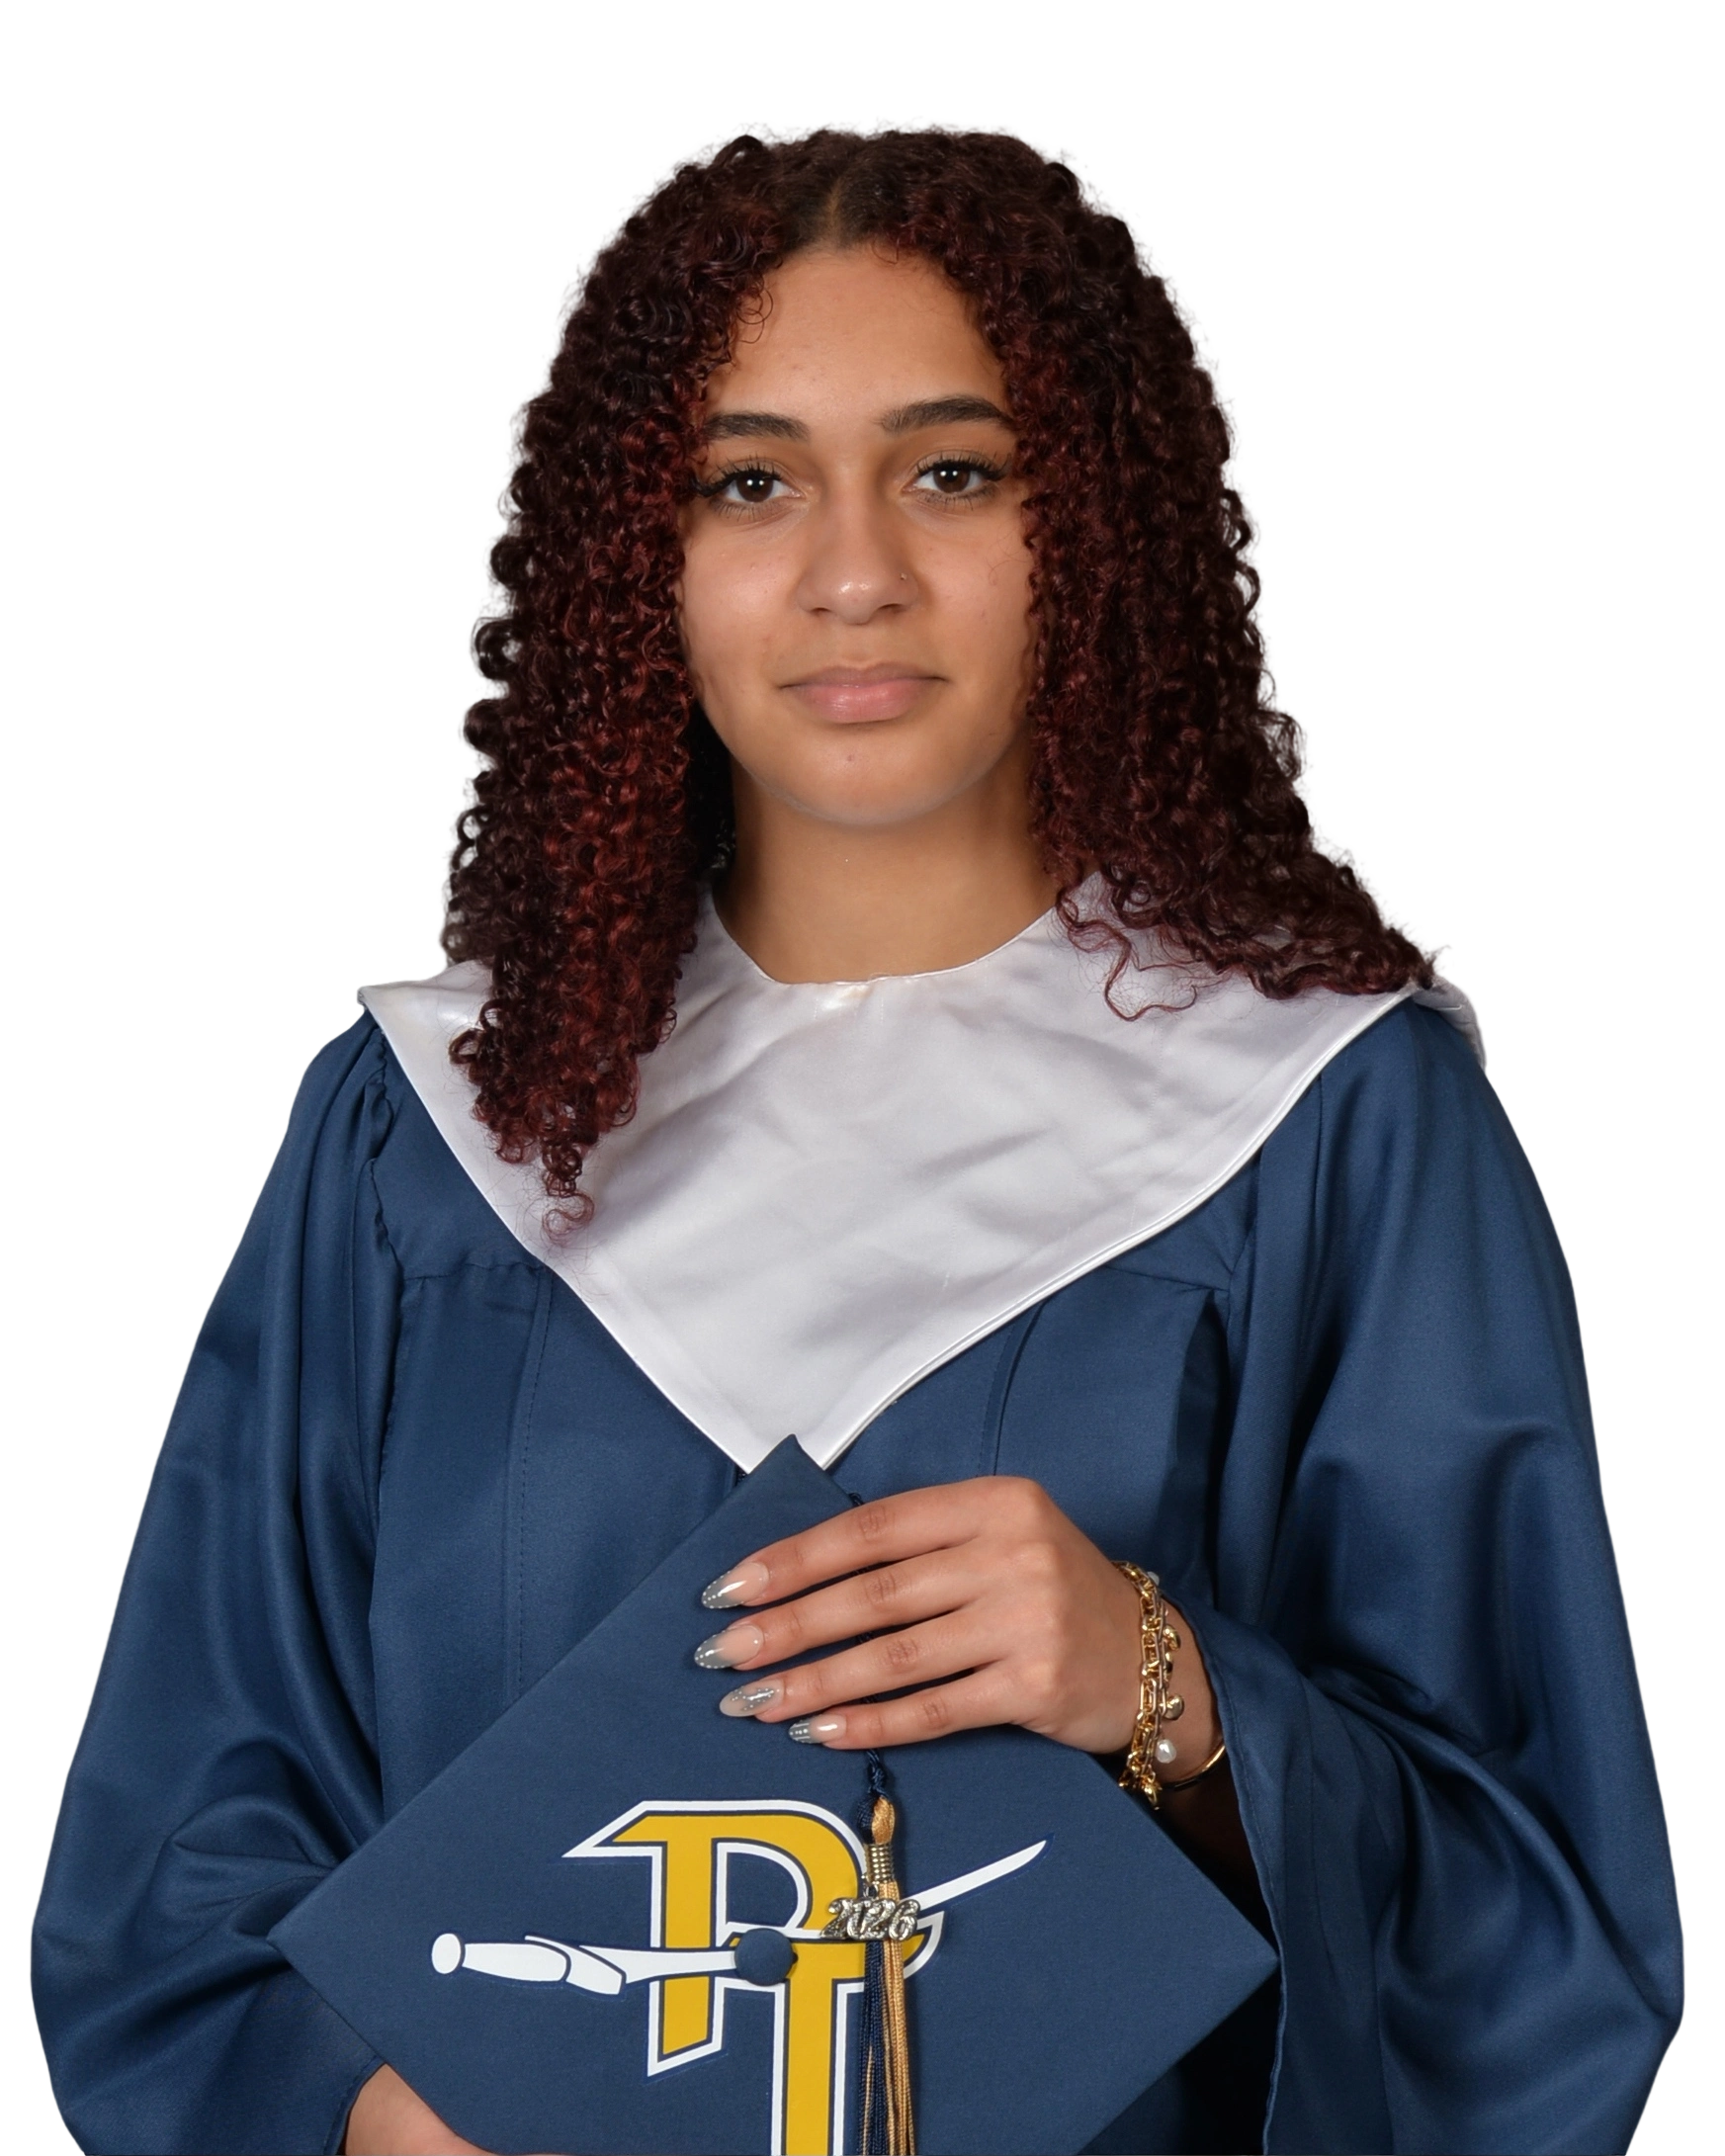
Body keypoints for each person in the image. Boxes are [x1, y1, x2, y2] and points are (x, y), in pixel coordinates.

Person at [30, 117, 1683, 2156]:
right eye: (748, 481)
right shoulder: (426, 1134)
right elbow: (184, 1850)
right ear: (635, 557)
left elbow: (1537, 1922)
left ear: (1099, 527)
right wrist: (367, 2115)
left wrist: (1161, 1686)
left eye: (953, 472)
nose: (851, 575)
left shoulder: (1330, 1116)